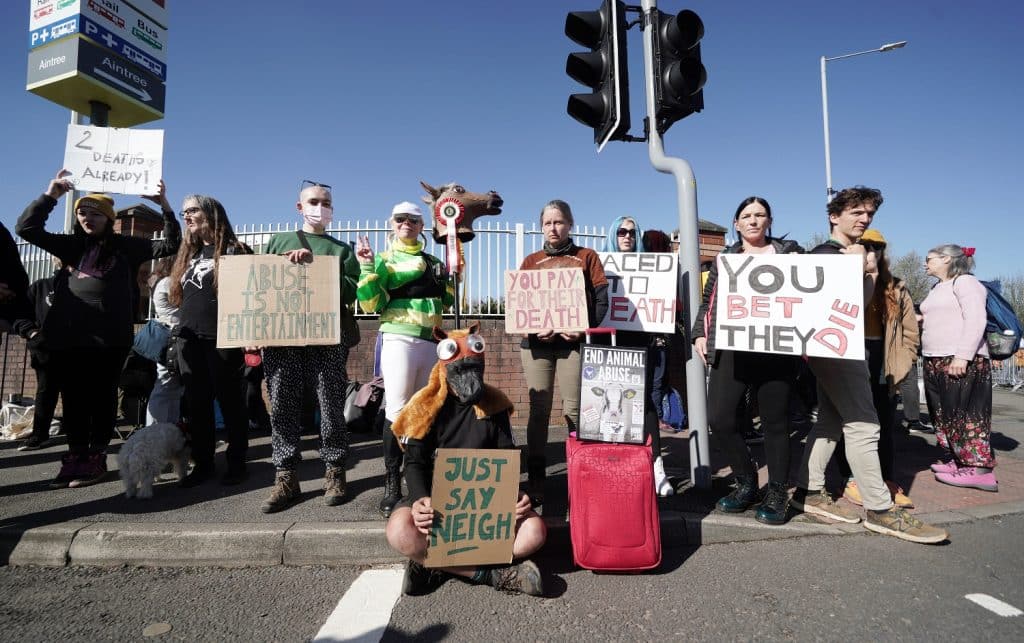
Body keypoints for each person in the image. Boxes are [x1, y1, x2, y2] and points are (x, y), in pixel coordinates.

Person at [793, 186, 947, 543]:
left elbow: (853, 306)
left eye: (869, 215)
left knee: (830, 422)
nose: (864, 220)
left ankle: (809, 491)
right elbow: (846, 309)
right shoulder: (829, 254)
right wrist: (864, 269)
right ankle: (880, 509)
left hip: (835, 351)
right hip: (836, 351)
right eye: (856, 213)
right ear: (834, 216)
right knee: (864, 425)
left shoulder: (847, 254)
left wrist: (869, 271)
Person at [15, 171, 180, 487]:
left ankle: (96, 456)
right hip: (69, 337)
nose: (87, 218)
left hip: (109, 338)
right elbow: (26, 228)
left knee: (102, 397)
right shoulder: (72, 246)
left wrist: (165, 206)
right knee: (73, 398)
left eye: (94, 213)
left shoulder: (126, 247)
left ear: (108, 218)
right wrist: (51, 195)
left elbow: (172, 243)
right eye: (82, 212)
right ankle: (75, 457)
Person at [385, 324, 546, 597]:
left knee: (535, 531)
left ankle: (436, 566)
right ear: (445, 370)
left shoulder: (494, 407)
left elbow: (507, 458)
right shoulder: (427, 409)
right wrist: (419, 499)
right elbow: (414, 463)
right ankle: (489, 574)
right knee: (399, 530)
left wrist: (515, 495)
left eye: (474, 369)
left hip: (484, 507)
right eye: (461, 370)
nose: (469, 378)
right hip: (437, 507)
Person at [691, 197, 803, 525]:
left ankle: (779, 492)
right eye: (746, 216)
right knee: (720, 418)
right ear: (736, 224)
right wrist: (700, 332)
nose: (753, 221)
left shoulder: (790, 253)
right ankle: (746, 482)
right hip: (732, 349)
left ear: (769, 221)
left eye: (760, 215)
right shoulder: (725, 259)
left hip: (776, 350)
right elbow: (707, 301)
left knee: (775, 422)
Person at [260, 181, 360, 513]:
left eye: (326, 201)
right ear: (299, 207)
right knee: (282, 403)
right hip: (283, 336)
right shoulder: (278, 241)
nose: (320, 206)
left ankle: (334, 470)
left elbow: (349, 294)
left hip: (328, 336)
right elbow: (261, 284)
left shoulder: (342, 250)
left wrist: (315, 266)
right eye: (313, 201)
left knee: (331, 404)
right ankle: (285, 475)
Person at [356, 201, 454, 518]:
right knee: (397, 406)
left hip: (430, 339)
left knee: (423, 408)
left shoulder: (434, 261)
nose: (406, 224)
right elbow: (370, 303)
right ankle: (391, 482)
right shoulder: (383, 259)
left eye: (413, 219)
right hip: (398, 336)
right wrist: (368, 268)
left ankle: (418, 479)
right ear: (392, 223)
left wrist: (453, 276)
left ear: (421, 225)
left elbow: (448, 301)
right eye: (400, 219)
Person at [518, 200, 609, 506]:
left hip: (573, 344)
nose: (553, 228)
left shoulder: (587, 257)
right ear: (541, 226)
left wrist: (583, 329)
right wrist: (533, 330)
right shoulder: (531, 260)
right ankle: (537, 478)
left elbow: (600, 300)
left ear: (570, 224)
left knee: (575, 409)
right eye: (547, 223)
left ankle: (580, 476)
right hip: (538, 346)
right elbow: (521, 305)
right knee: (538, 409)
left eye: (559, 222)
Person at [168, 194, 251, 487]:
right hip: (189, 340)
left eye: (193, 210)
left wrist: (249, 336)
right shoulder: (187, 255)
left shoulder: (235, 250)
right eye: (184, 212)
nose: (187, 216)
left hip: (223, 338)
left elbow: (250, 296)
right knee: (197, 405)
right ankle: (203, 464)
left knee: (230, 403)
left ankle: (237, 462)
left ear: (211, 213)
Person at [835, 229, 918, 508]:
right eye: (866, 246)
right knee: (850, 421)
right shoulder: (844, 280)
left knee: (882, 421)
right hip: (851, 355)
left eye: (877, 247)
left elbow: (909, 332)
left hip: (883, 357)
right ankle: (851, 478)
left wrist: (905, 362)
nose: (872, 252)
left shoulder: (895, 286)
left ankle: (886, 478)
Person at [602, 217, 673, 496]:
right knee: (611, 402)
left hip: (641, 342)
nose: (627, 236)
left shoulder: (654, 268)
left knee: (644, 403)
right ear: (613, 234)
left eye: (633, 232)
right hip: (609, 341)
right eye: (621, 231)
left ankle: (656, 466)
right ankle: (617, 465)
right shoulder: (601, 266)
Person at [920, 244, 997, 491]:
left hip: (960, 358)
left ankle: (980, 469)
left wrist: (963, 357)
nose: (925, 263)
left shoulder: (965, 283)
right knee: (943, 414)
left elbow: (976, 318)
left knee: (967, 414)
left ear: (946, 259)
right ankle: (958, 460)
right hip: (935, 357)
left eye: (929, 258)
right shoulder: (937, 287)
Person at [13, 262, 61, 450]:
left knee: (75, 393)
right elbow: (19, 314)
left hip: (75, 348)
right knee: (45, 391)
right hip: (45, 349)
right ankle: (40, 434)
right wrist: (32, 332)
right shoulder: (40, 287)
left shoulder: (83, 287)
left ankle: (80, 440)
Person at [641, 228, 677, 434]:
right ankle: (656, 420)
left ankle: (653, 422)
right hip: (656, 338)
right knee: (656, 381)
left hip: (649, 336)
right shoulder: (663, 271)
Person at [145, 257, 184, 425]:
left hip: (169, 334)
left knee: (171, 385)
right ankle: (156, 427)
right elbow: (182, 303)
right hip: (172, 335)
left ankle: (167, 426)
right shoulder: (168, 282)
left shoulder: (159, 282)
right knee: (166, 384)